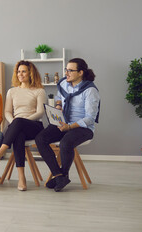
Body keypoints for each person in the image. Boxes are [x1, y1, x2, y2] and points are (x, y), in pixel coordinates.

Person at [35, 58, 100, 192]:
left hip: (83, 128)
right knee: (40, 139)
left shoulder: (90, 90)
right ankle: (59, 176)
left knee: (66, 142)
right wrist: (58, 105)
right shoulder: (64, 84)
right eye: (66, 70)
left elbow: (89, 118)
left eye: (70, 70)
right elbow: (59, 97)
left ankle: (64, 174)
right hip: (63, 123)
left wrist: (69, 127)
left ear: (80, 72)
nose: (66, 73)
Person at [0, 61, 46, 191]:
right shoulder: (12, 91)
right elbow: (7, 112)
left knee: (18, 123)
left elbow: (40, 112)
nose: (20, 74)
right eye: (18, 71)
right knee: (18, 135)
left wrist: (20, 121)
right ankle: (21, 178)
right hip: (16, 126)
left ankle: (0, 152)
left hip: (34, 126)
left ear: (31, 73)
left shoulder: (39, 91)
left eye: (24, 71)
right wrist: (15, 122)